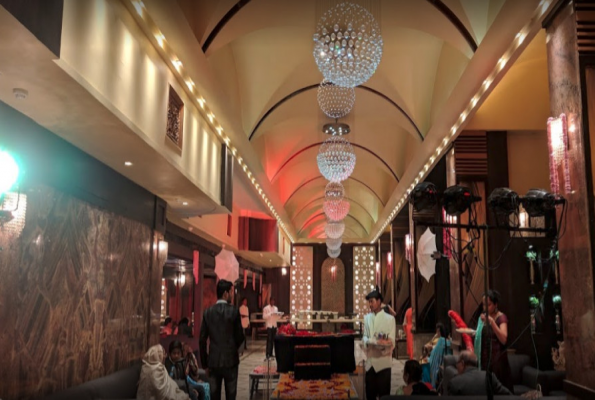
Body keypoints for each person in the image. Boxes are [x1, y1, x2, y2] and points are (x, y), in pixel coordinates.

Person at [199, 280, 244, 400]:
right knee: (231, 395)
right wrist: (233, 348)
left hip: (213, 361)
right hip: (231, 361)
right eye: (231, 292)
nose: (232, 295)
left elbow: (202, 340)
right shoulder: (234, 311)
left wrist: (205, 363)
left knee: (214, 396)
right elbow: (240, 336)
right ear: (225, 293)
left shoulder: (208, 312)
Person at [474, 290, 513, 392]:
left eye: (489, 305)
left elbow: (503, 339)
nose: (485, 308)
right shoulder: (484, 318)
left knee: (499, 391)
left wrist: (492, 322)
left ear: (496, 304)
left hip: (498, 361)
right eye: (484, 305)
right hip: (485, 360)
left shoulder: (501, 317)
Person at [363, 288, 396, 400]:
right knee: (370, 395)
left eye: (372, 301)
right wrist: (369, 341)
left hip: (384, 364)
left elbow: (392, 341)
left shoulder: (390, 319)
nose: (370, 304)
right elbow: (364, 336)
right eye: (369, 302)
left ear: (379, 301)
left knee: (384, 396)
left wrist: (382, 345)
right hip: (370, 364)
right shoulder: (367, 318)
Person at [447, 350, 512, 396]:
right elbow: (508, 395)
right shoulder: (489, 377)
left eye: (457, 363)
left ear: (462, 363)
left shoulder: (454, 383)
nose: (456, 366)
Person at [426, 323, 451, 388]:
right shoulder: (449, 341)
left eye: (438, 331)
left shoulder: (441, 340)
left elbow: (434, 354)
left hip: (440, 365)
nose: (437, 332)